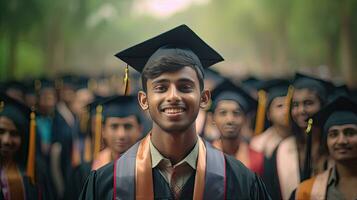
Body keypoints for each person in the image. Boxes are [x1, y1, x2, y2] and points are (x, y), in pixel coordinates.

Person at [80, 24, 270, 199]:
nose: (173, 96)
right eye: (161, 87)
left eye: (185, 87)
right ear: (143, 100)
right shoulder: (106, 183)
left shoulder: (242, 182)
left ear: (204, 98)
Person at [64, 95, 143, 200]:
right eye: (114, 126)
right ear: (103, 130)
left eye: (128, 126)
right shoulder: (84, 173)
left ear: (139, 130)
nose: (121, 135)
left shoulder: (151, 172)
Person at [277, 73, 334, 199]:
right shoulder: (284, 148)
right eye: (295, 105)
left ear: (323, 105)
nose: (301, 110)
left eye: (308, 103)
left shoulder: (333, 146)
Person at [290, 96, 357, 200]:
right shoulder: (306, 192)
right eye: (333, 134)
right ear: (326, 142)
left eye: (350, 133)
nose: (342, 141)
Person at [0, 93, 54, 199]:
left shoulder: (35, 172)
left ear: (24, 138)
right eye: (1, 132)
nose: (6, 140)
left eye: (14, 134)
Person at [210, 79, 264, 175]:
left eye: (236, 113)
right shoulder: (204, 158)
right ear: (213, 119)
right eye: (223, 113)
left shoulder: (258, 160)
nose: (230, 120)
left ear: (245, 119)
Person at [250, 79, 292, 199]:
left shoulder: (301, 142)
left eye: (289, 105)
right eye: (279, 106)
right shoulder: (258, 144)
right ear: (268, 113)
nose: (285, 110)